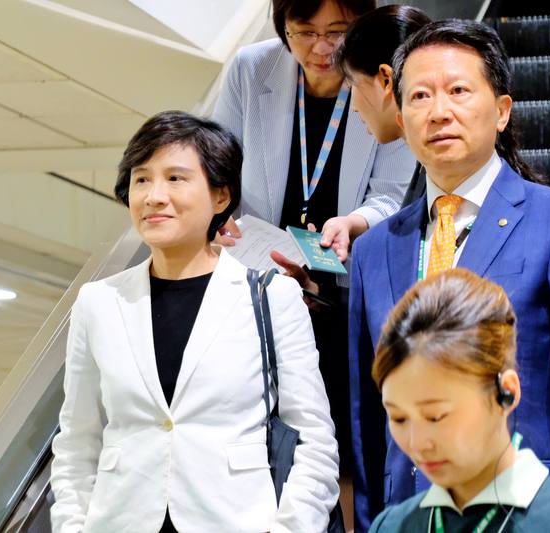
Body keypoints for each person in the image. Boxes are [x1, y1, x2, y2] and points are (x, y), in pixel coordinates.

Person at [50, 111, 339, 533]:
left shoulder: (270, 296)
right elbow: (77, 441)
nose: (154, 196)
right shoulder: (99, 302)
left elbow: (313, 438)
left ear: (220, 197)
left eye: (175, 178)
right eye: (142, 179)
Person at [348, 19, 550, 532]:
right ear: (400, 118)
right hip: (410, 514)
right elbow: (365, 417)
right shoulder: (374, 249)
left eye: (458, 91)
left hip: (529, 511)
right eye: (421, 96)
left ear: (501, 111)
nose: (439, 111)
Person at [212, 0, 416, 471]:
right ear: (284, 27)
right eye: (304, 32)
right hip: (261, 276)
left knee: (341, 439)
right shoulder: (252, 68)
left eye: (338, 31)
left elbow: (391, 195)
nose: (321, 48)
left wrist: (352, 223)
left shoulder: (383, 77)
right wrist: (215, 215)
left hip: (343, 283)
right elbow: (217, 162)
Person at [368, 269, 550, 532]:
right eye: (398, 418)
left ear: (505, 393)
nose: (417, 443)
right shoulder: (391, 526)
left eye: (436, 416)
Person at [335, 5, 432, 207]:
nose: (353, 106)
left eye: (353, 84)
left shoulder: (442, 164)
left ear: (386, 79)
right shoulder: (430, 157)